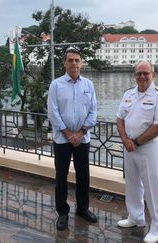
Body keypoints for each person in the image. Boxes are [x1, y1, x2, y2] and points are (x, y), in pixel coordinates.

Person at [116, 61, 158, 243]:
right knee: (132, 184)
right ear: (135, 75)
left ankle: (157, 227)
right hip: (130, 146)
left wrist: (136, 142)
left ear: (152, 75)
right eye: (138, 73)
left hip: (150, 147)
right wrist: (125, 140)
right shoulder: (128, 94)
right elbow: (120, 119)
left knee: (153, 188)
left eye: (145, 73)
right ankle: (136, 217)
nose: (141, 76)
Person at [47, 47, 98, 231]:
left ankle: (83, 209)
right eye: (71, 60)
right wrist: (69, 134)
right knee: (61, 176)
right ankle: (62, 212)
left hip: (82, 139)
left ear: (81, 63)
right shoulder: (56, 85)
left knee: (83, 175)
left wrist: (81, 133)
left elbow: (93, 111)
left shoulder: (89, 85)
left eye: (77, 60)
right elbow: (53, 113)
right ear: (65, 63)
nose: (74, 63)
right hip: (62, 140)